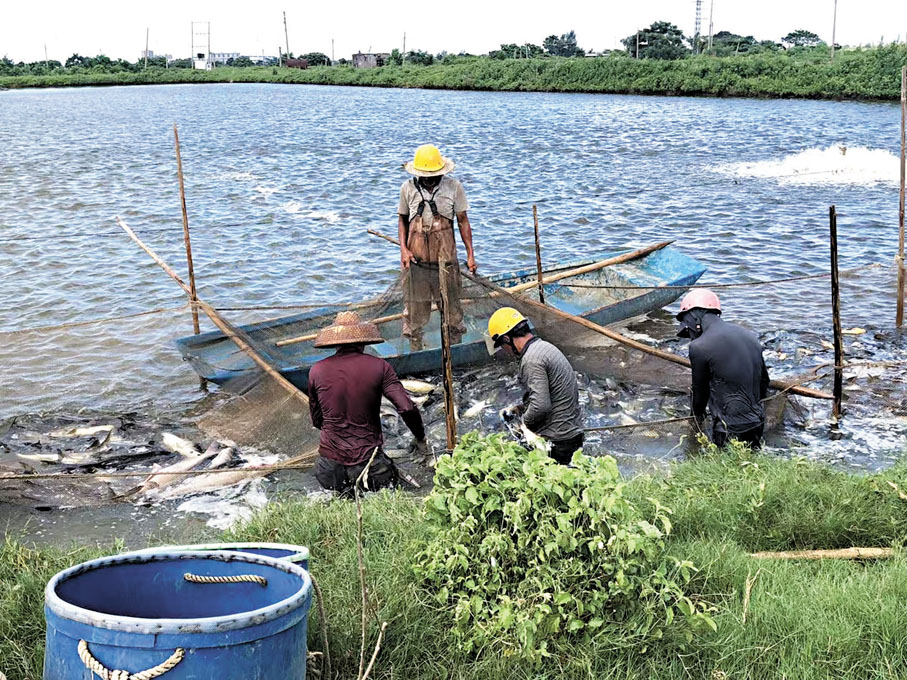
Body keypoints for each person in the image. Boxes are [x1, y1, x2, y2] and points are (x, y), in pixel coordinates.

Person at [307, 311, 428, 494]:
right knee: (388, 494)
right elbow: (406, 407)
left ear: (335, 344)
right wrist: (420, 438)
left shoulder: (317, 370)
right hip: (371, 467)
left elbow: (317, 421)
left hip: (328, 469)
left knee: (339, 500)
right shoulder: (380, 367)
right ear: (364, 341)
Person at [398, 144, 477, 350]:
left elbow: (463, 221)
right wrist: (404, 251)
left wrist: (470, 255)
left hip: (446, 263)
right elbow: (402, 220)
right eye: (425, 175)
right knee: (415, 315)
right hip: (417, 264)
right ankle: (416, 351)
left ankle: (454, 353)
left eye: (433, 175)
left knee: (452, 314)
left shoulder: (454, 187)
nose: (429, 179)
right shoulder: (407, 188)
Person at [487, 307, 584, 464]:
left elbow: (541, 406)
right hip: (572, 433)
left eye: (501, 345)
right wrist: (520, 408)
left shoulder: (531, 359)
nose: (504, 351)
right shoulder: (543, 347)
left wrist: (523, 424)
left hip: (560, 441)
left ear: (506, 339)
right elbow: (550, 396)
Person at [676, 289, 770, 448]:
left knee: (724, 467)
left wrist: (695, 422)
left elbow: (700, 393)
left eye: (686, 322)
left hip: (727, 428)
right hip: (757, 422)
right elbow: (764, 382)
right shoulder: (749, 336)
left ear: (694, 315)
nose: (689, 331)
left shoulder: (699, 346)